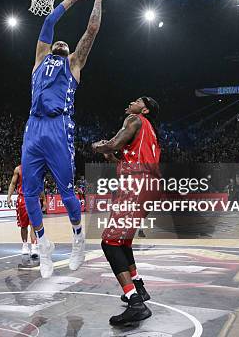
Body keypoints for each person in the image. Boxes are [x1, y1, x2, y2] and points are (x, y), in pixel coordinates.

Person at [21, 0, 113, 278]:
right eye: (56, 41)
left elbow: (92, 31)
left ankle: (77, 239)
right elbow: (48, 21)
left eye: (64, 42)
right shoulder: (39, 58)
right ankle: (44, 244)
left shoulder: (73, 63)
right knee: (29, 192)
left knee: (67, 190)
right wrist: (70, 0)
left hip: (59, 127)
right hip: (33, 127)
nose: (60, 42)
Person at [92, 97, 161, 326]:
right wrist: (114, 158)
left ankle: (135, 303)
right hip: (150, 186)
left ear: (145, 109)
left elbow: (113, 143)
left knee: (109, 242)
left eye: (137, 101)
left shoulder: (134, 118)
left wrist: (99, 146)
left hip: (137, 184)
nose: (131, 102)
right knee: (123, 242)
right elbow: (129, 159)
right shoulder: (150, 135)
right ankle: (139, 288)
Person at [6, 165, 42, 258]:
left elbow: (40, 184)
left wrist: (44, 199)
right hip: (22, 199)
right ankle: (25, 245)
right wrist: (9, 196)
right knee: (23, 225)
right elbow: (13, 183)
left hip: (34, 198)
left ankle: (34, 246)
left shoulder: (36, 168)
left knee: (33, 224)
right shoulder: (18, 169)